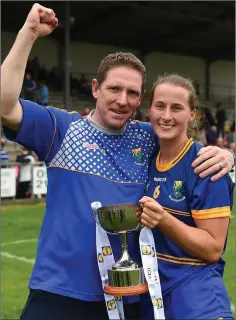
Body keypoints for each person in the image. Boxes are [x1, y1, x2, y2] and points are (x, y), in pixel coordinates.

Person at [0, 4, 234, 320]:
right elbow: (4, 105)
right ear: (95, 89)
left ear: (141, 101)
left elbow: (181, 136)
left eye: (132, 93)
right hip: (59, 294)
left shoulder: (148, 136)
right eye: (114, 89)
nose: (122, 100)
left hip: (129, 297)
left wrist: (225, 153)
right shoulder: (61, 129)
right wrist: (27, 34)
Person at [139, 74, 234, 319]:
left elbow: (213, 248)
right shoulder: (146, 159)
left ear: (192, 114)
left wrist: (164, 220)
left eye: (177, 108)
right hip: (151, 297)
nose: (166, 116)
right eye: (160, 106)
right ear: (149, 109)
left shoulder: (205, 165)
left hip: (195, 299)